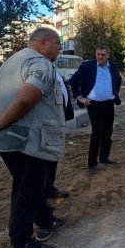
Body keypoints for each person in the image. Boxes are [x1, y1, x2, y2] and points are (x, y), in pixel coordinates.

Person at [0, 27, 67, 248]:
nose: (60, 48)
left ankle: (47, 221)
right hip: (29, 141)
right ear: (45, 43)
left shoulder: (11, 62)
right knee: (26, 192)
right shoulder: (40, 64)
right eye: (57, 43)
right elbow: (25, 100)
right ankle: (21, 244)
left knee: (36, 186)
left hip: (11, 140)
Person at [69, 45, 122, 175]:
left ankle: (104, 157)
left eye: (103, 55)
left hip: (109, 103)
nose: (100, 57)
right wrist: (80, 97)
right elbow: (73, 81)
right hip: (93, 104)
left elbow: (118, 80)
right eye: (98, 54)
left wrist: (114, 93)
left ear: (108, 55)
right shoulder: (87, 66)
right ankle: (92, 164)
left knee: (107, 131)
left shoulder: (114, 66)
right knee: (97, 132)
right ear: (95, 54)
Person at [45, 71, 73, 200]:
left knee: (52, 157)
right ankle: (42, 195)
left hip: (56, 120)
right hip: (47, 122)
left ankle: (49, 189)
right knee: (45, 159)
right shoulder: (40, 68)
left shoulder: (53, 68)